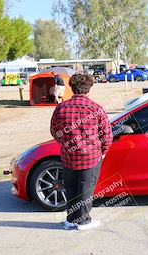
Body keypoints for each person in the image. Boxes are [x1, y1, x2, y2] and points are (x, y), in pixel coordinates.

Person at [50, 73, 113, 231]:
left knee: (71, 188)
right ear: (89, 88)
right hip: (90, 157)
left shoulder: (61, 108)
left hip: (68, 157)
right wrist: (102, 151)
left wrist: (65, 144)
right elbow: (107, 135)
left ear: (72, 88)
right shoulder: (96, 108)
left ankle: (71, 220)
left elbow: (54, 131)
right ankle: (83, 221)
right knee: (86, 188)